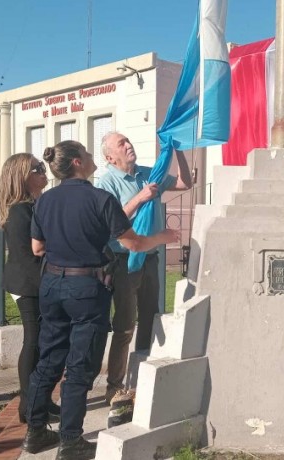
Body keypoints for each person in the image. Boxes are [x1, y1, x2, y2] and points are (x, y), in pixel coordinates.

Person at [22, 140, 179, 459]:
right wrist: (162, 237)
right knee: (80, 364)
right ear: (78, 162)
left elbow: (37, 248)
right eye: (90, 155)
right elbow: (133, 243)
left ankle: (34, 432)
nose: (95, 159)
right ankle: (70, 441)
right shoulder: (100, 198)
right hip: (86, 288)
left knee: (50, 359)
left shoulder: (45, 201)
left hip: (52, 284)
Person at [95, 131, 193, 405]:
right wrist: (140, 198)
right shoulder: (107, 183)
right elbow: (109, 223)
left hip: (150, 258)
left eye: (129, 140)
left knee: (151, 319)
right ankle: (114, 387)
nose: (129, 144)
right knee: (125, 324)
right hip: (124, 261)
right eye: (121, 143)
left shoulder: (148, 173)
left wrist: (178, 150)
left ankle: (143, 381)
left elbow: (186, 182)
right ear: (110, 157)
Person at [0, 153, 59, 424]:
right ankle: (28, 405)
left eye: (43, 167)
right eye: (37, 168)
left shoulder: (32, 205)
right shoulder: (21, 210)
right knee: (34, 340)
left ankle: (40, 399)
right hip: (28, 283)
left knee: (41, 341)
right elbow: (28, 255)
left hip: (33, 280)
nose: (44, 172)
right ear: (22, 176)